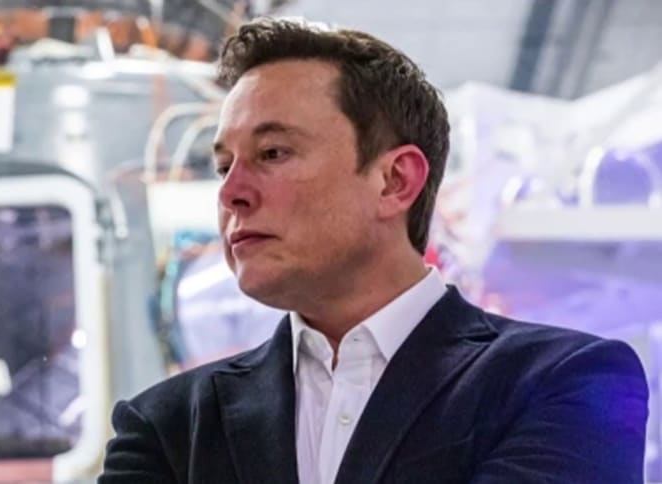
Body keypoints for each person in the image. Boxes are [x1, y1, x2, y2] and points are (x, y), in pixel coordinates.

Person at [100, 17, 648, 484]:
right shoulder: (165, 429)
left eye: (272, 153)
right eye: (224, 166)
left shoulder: (563, 382)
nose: (230, 193)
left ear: (395, 180)